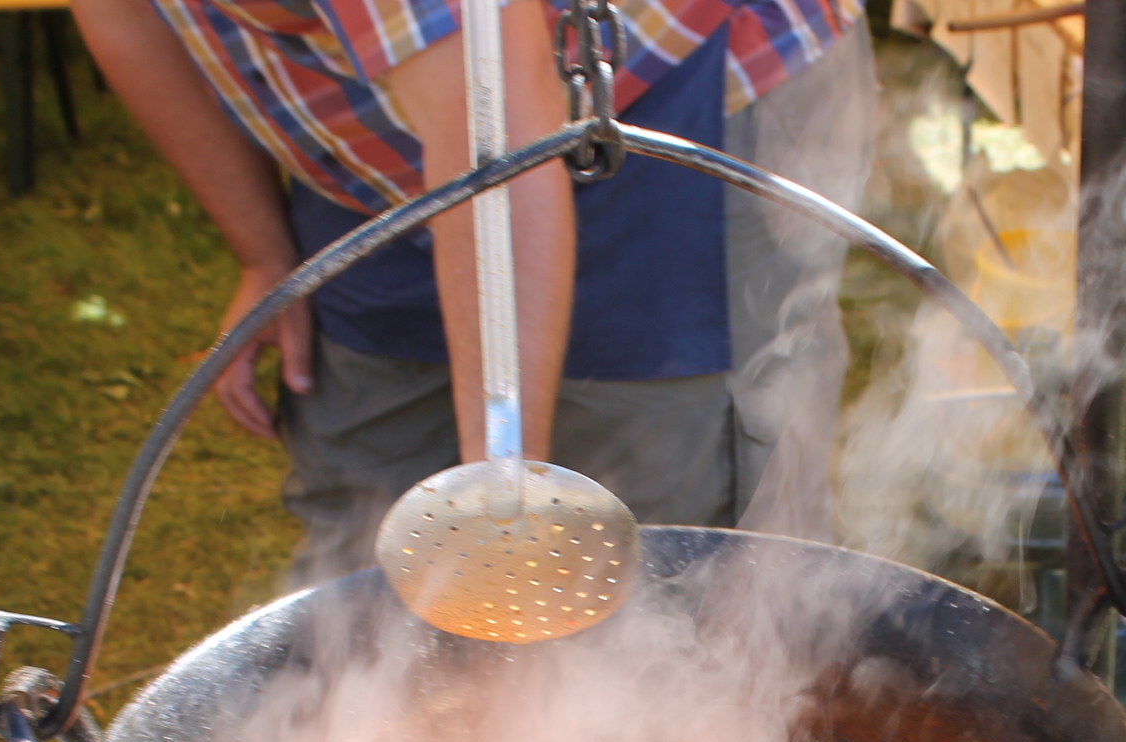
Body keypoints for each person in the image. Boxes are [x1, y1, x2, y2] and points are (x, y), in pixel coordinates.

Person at [72, 0, 873, 587]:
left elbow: (498, 142)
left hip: (665, 85)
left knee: (674, 557)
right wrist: (262, 249)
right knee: (366, 528)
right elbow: (122, 17)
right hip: (379, 134)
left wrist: (500, 492)